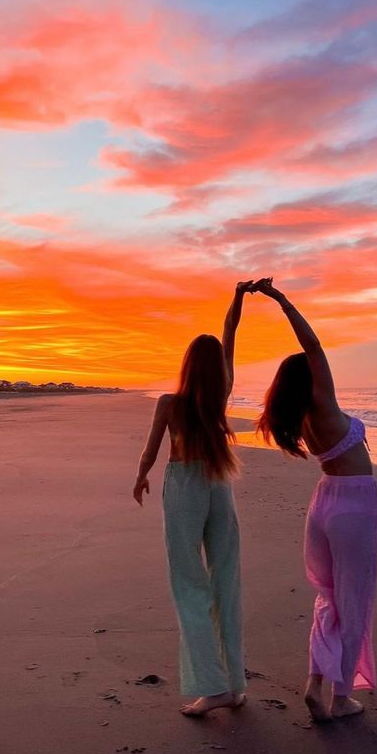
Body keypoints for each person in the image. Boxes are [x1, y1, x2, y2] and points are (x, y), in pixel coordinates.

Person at [253, 278, 377, 722]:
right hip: (350, 505)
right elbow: (313, 345)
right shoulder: (323, 404)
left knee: (329, 598)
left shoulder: (303, 417)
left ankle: (314, 682)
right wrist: (281, 300)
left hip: (328, 504)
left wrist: (374, 520)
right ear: (310, 375)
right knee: (354, 602)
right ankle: (341, 696)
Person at [133, 281, 258, 716]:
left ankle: (212, 685)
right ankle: (235, 684)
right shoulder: (220, 393)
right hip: (218, 483)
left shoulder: (170, 402)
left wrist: (141, 477)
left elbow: (151, 449)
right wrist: (239, 296)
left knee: (189, 583)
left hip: (184, 486)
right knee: (226, 579)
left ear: (187, 365)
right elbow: (230, 334)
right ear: (216, 369)